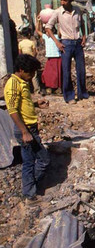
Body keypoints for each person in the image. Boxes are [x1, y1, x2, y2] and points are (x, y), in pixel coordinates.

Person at [4, 54, 50, 200]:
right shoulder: (13, 84)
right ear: (21, 70)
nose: (31, 76)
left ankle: (30, 188)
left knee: (30, 161)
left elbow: (22, 105)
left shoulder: (22, 82)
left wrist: (36, 105)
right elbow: (12, 110)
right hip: (26, 130)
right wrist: (24, 132)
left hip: (30, 128)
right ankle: (29, 192)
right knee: (40, 161)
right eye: (30, 73)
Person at [46, 0, 89, 104]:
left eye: (64, 0)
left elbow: (83, 24)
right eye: (61, 0)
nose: (62, 2)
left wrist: (84, 37)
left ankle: (82, 94)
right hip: (66, 44)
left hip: (78, 43)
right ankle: (69, 97)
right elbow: (48, 28)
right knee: (66, 71)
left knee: (81, 70)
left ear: (70, 1)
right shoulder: (57, 12)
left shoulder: (77, 10)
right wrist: (57, 42)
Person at [35, 16, 62, 94]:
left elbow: (60, 31)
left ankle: (57, 88)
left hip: (57, 58)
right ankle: (50, 87)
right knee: (47, 74)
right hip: (50, 58)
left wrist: (59, 23)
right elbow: (37, 30)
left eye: (48, 31)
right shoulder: (46, 37)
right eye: (46, 31)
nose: (46, 32)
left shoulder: (57, 37)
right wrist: (38, 21)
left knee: (57, 75)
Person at [18, 27, 41, 94]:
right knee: (34, 77)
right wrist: (33, 59)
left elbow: (20, 53)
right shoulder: (32, 42)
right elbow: (35, 52)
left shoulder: (20, 43)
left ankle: (27, 90)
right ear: (28, 34)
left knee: (25, 77)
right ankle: (37, 90)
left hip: (24, 61)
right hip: (31, 60)